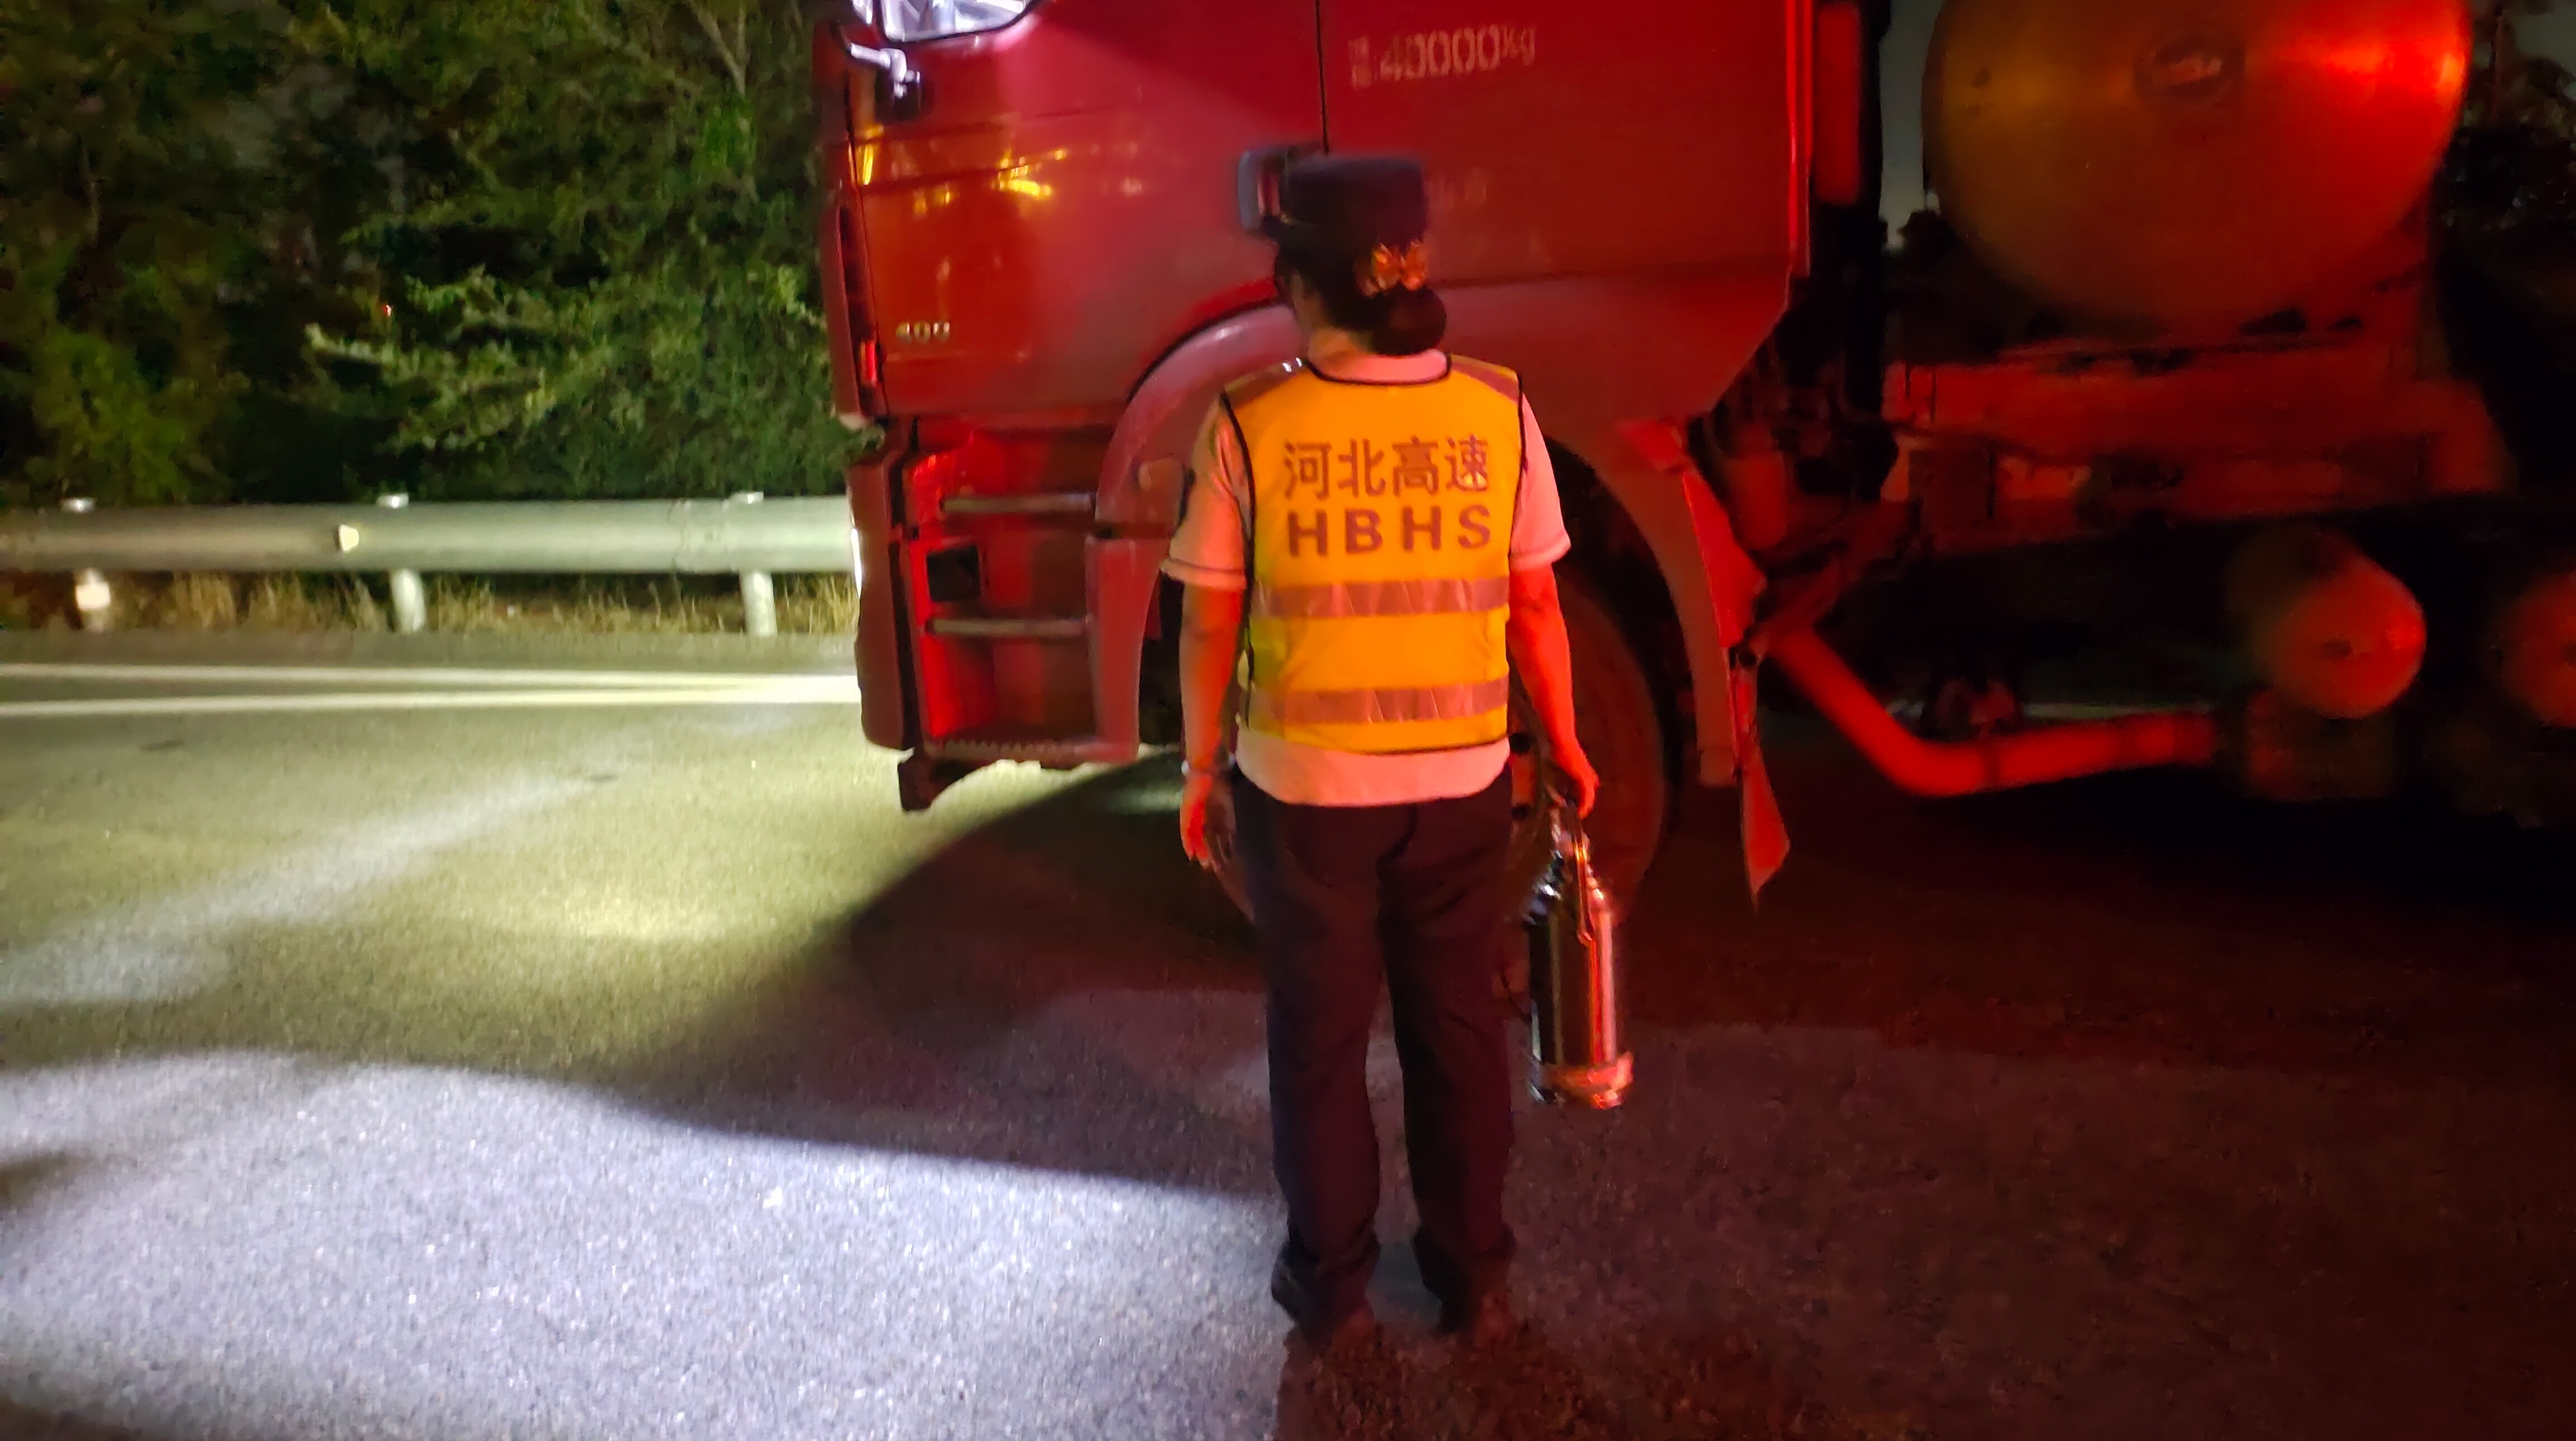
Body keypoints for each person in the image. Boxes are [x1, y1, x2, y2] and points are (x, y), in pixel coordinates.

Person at [1161, 154, 1599, 1352]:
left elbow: (1206, 619)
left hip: (1304, 793)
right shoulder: (1497, 412)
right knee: (1456, 1028)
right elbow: (1536, 605)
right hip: (1460, 785)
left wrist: (1198, 769)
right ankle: (1474, 1275)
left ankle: (1334, 1290)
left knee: (1319, 1040)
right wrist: (1564, 740)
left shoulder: (1250, 422)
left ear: (1304, 286)